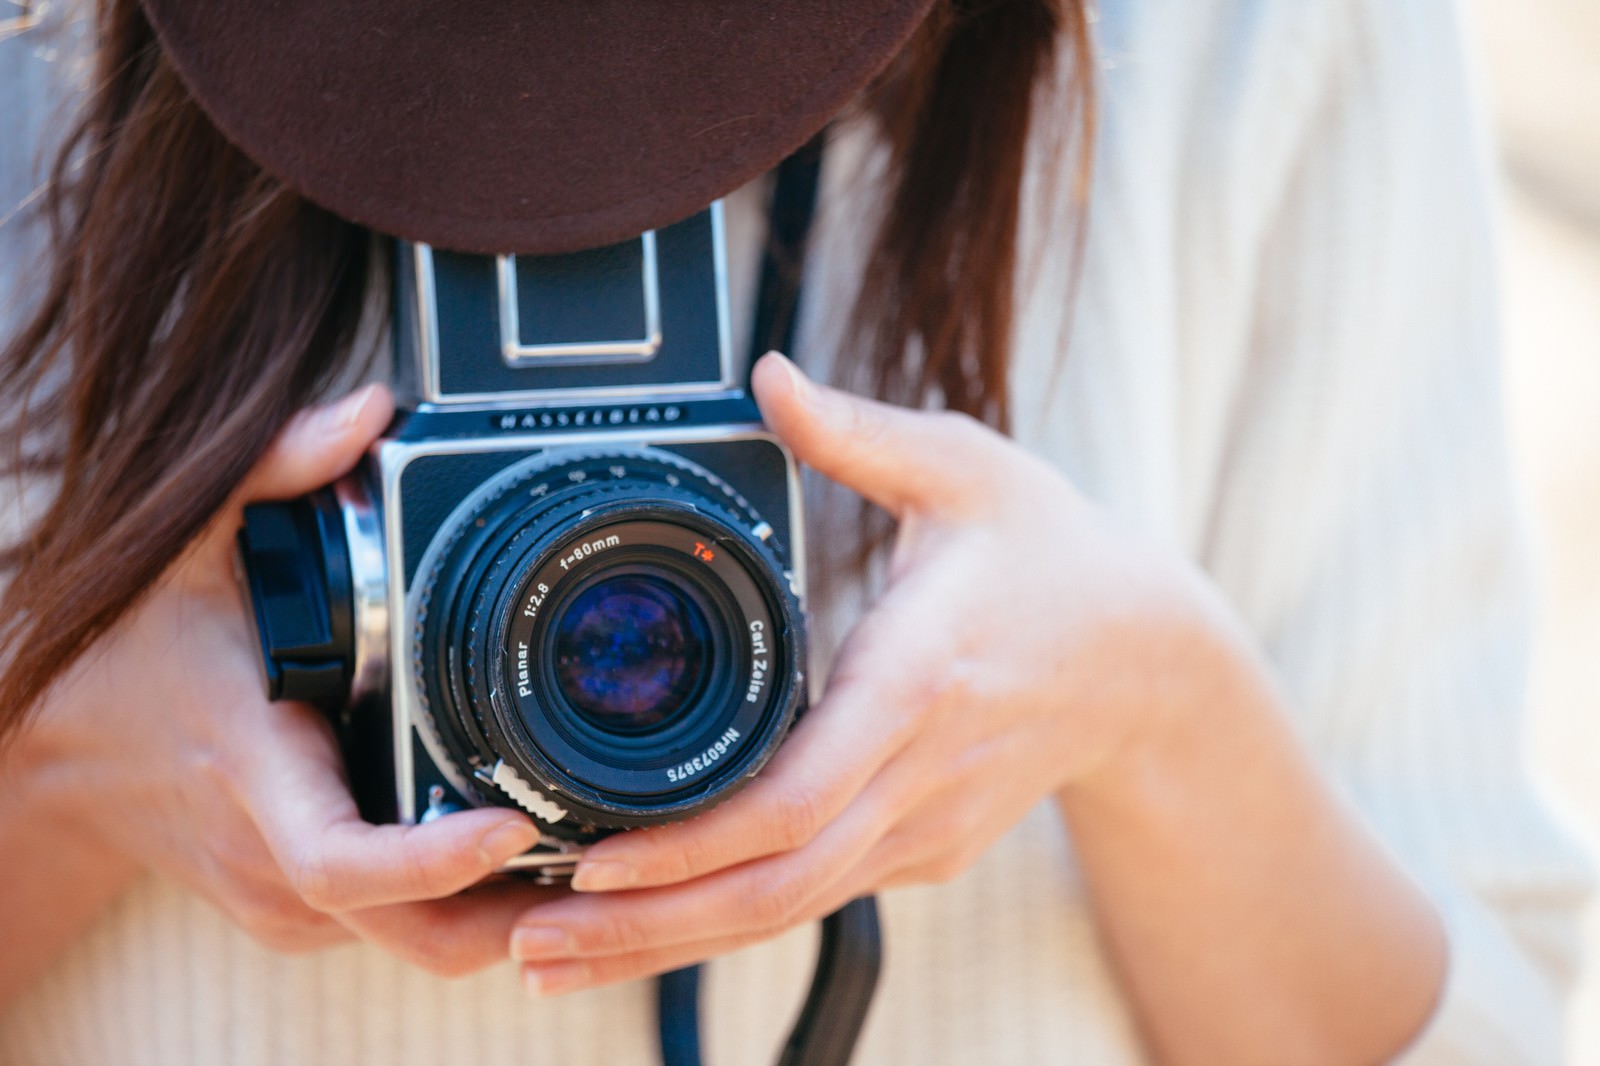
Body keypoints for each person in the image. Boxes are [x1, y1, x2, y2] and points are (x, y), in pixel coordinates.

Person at [0, 0, 1588, 1063]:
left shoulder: (1256, 36)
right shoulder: (37, 53)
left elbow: (1495, 1022)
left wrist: (1154, 711)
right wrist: (64, 761)